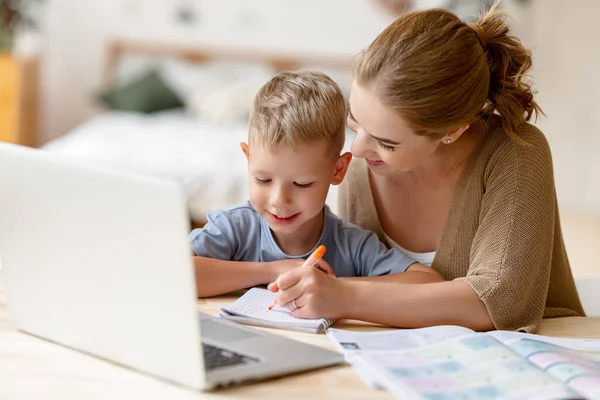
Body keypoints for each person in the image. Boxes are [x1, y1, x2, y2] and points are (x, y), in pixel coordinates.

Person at [269, 2, 585, 333]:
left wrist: (345, 295)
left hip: (534, 357)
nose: (357, 150)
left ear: (453, 131)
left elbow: (497, 303)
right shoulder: (364, 166)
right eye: (354, 120)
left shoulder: (516, 151)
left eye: (387, 142)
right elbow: (361, 278)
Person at [189, 70, 443, 299]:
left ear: (338, 170)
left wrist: (337, 288)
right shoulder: (234, 228)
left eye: (302, 184)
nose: (279, 199)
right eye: (263, 179)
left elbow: (428, 282)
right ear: (248, 159)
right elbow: (173, 272)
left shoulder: (351, 245)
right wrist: (272, 271)